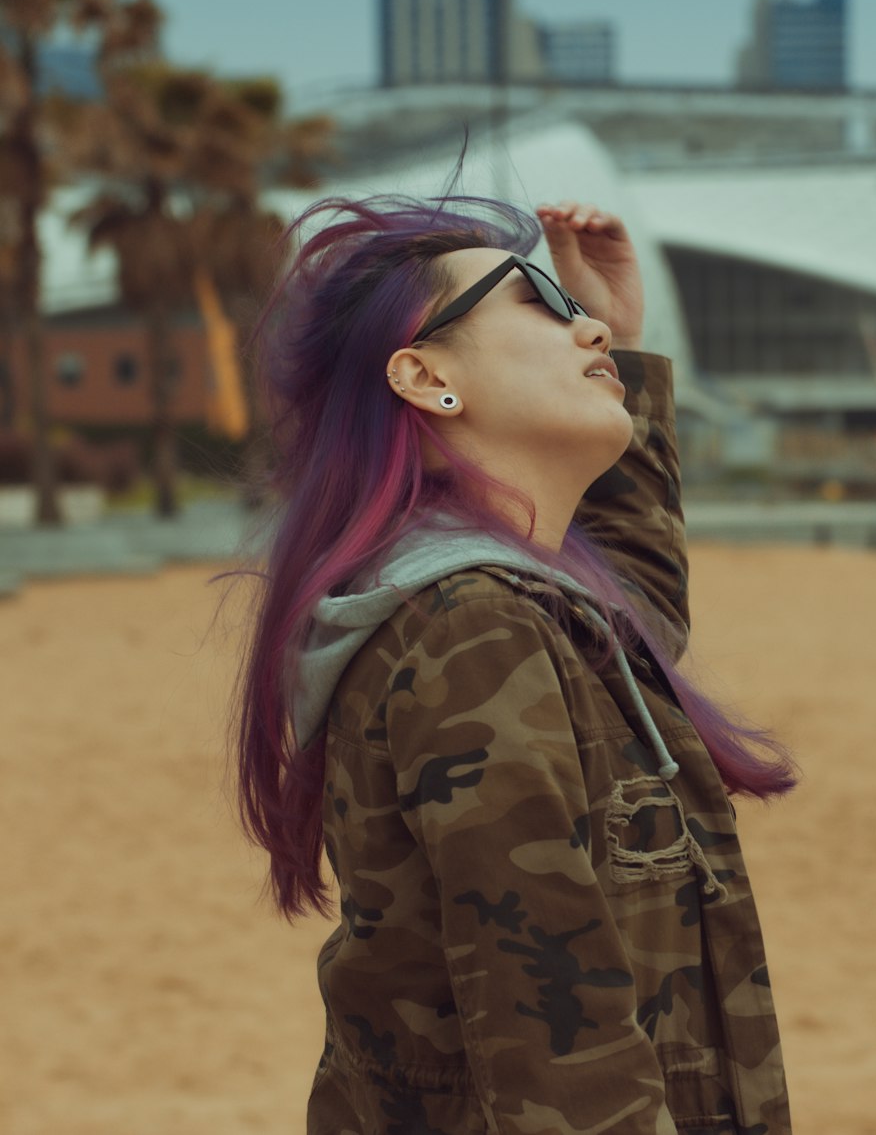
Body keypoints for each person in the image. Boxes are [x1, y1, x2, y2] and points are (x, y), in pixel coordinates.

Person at [233, 189, 796, 1135]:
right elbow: (562, 1049)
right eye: (536, 297)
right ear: (424, 376)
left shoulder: (507, 610)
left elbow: (636, 626)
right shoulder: (471, 629)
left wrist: (616, 338)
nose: (582, 329)